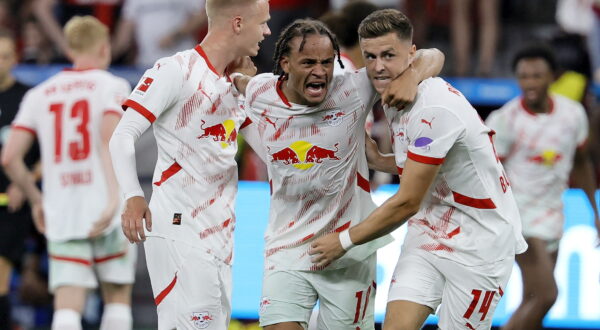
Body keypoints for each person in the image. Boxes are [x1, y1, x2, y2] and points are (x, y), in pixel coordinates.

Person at [309, 9, 527, 329]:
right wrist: (378, 160)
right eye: (371, 56)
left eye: (388, 55)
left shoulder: (433, 106)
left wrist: (344, 241)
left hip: (480, 243)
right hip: (429, 229)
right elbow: (421, 168)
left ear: (410, 54)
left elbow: (407, 201)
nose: (379, 65)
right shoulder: (392, 90)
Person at [233, 18, 443, 329]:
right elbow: (235, 81)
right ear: (285, 64)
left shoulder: (354, 89)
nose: (320, 71)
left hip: (348, 251)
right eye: (308, 62)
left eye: (326, 62)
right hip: (286, 248)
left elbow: (433, 55)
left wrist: (411, 76)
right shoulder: (261, 92)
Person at [108, 0, 270, 329]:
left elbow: (270, 151)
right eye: (262, 22)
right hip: (180, 230)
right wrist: (132, 195)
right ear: (238, 23)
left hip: (221, 236)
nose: (267, 30)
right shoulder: (176, 69)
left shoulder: (234, 82)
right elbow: (122, 135)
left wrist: (250, 91)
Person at [1, 16, 135, 330]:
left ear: (71, 48)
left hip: (61, 209)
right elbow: (110, 141)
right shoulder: (112, 85)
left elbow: (9, 158)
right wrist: (116, 198)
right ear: (104, 48)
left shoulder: (40, 93)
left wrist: (37, 200)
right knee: (116, 297)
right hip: (107, 204)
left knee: (67, 305)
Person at [485, 45, 600, 330]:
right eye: (524, 77)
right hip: (518, 219)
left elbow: (581, 163)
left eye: (537, 76)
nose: (530, 83)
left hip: (553, 216)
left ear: (553, 77)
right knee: (547, 295)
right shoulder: (505, 120)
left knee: (533, 301)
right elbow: (483, 172)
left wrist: (595, 210)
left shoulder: (573, 114)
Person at [0, 29, 35, 330]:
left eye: (5, 56)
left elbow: (48, 155)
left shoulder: (28, 98)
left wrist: (23, 182)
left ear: (15, 59)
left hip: (10, 207)